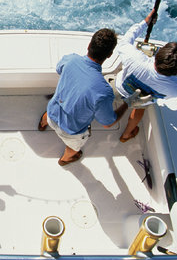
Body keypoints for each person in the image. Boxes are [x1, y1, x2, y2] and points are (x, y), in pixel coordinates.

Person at [38, 28, 128, 166]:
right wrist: (127, 104)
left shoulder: (71, 59)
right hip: (71, 130)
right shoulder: (104, 92)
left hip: (52, 112)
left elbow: (59, 69)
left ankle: (42, 124)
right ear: (109, 55)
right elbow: (108, 122)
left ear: (89, 45)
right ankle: (65, 159)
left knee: (48, 117)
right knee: (73, 147)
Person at [115, 9, 177, 142]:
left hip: (120, 88)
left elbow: (124, 42)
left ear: (159, 54)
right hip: (141, 101)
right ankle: (126, 135)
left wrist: (145, 22)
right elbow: (168, 94)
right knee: (139, 110)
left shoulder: (135, 58)